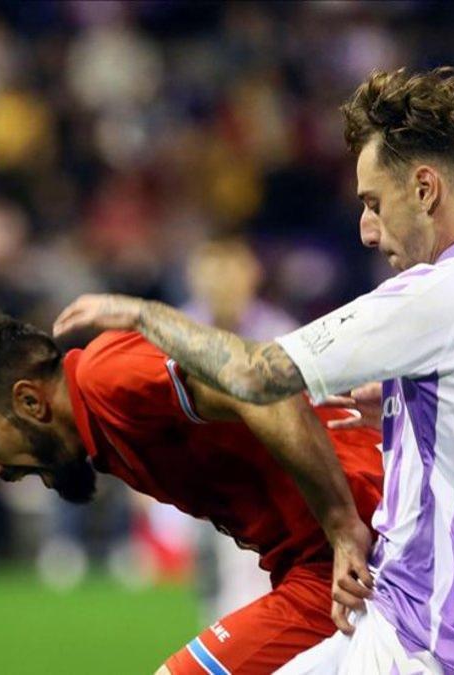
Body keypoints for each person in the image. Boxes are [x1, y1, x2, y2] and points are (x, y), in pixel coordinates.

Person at [53, 67, 454, 674]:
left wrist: (144, 312)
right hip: (439, 633)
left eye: (373, 203)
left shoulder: (445, 294)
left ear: (424, 189)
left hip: (411, 648)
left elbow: (260, 375)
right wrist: (414, 413)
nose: (367, 231)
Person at [0, 317, 382, 674]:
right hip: (335, 567)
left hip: (360, 553)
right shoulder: (102, 430)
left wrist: (343, 529)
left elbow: (263, 389)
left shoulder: (105, 377)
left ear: (29, 402)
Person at [181, 235, 300, 622]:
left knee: (255, 592)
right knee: (211, 594)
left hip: (264, 479)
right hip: (194, 476)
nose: (221, 284)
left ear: (252, 275)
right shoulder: (176, 329)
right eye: (212, 274)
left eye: (229, 273)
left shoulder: (278, 331)